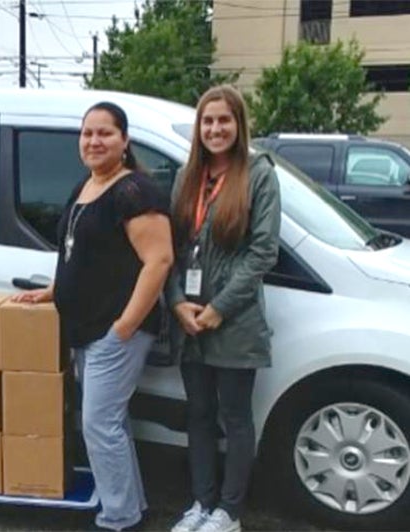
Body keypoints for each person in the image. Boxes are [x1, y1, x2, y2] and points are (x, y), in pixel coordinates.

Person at [12, 101, 173, 530]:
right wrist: (53, 291)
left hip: (114, 330)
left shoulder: (133, 191)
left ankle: (118, 518)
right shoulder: (87, 185)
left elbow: (158, 261)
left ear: (124, 141)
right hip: (88, 327)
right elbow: (83, 255)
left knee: (98, 425)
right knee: (110, 422)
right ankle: (131, 507)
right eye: (87, 133)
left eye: (105, 133)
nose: (94, 141)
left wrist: (124, 327)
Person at [166, 85, 281, 532]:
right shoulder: (186, 176)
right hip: (188, 319)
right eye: (208, 121)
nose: (215, 129)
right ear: (199, 127)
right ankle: (200, 503)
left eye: (224, 121)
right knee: (197, 414)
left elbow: (263, 253)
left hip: (233, 322)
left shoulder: (258, 174)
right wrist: (176, 301)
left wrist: (217, 309)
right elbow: (170, 248)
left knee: (234, 418)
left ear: (239, 124)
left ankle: (229, 513)